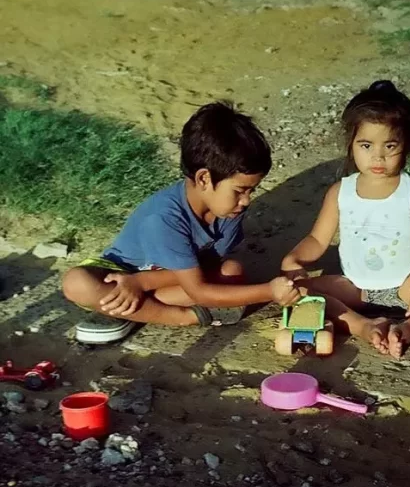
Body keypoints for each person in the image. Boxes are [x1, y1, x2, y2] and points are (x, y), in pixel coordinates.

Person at [63, 102, 300, 344]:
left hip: (168, 277)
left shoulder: (229, 211)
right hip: (120, 274)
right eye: (240, 191)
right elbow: (199, 291)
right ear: (204, 178)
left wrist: (141, 283)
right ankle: (182, 316)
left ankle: (134, 310)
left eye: (251, 191)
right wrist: (269, 292)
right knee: (77, 283)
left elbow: (205, 266)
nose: (246, 201)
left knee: (231, 271)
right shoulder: (164, 218)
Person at [282, 81, 410, 358]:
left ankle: (408, 329)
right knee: (299, 291)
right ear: (351, 144)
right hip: (355, 287)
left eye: (390, 146)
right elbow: (317, 239)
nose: (378, 156)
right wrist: (294, 259)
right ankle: (365, 326)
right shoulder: (340, 192)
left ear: (407, 146)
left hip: (406, 285)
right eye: (366, 145)